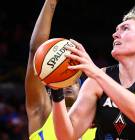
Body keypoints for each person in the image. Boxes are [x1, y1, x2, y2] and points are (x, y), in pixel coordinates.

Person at [52, 1, 135, 140]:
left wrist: (96, 73)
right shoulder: (96, 81)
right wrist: (56, 91)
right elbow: (66, 136)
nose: (115, 34)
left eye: (125, 28)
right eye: (117, 29)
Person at [24, 0, 96, 139]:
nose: (68, 84)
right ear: (50, 90)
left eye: (74, 81)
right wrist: (51, 2)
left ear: (81, 90)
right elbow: (35, 51)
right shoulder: (42, 112)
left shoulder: (97, 125)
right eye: (62, 81)